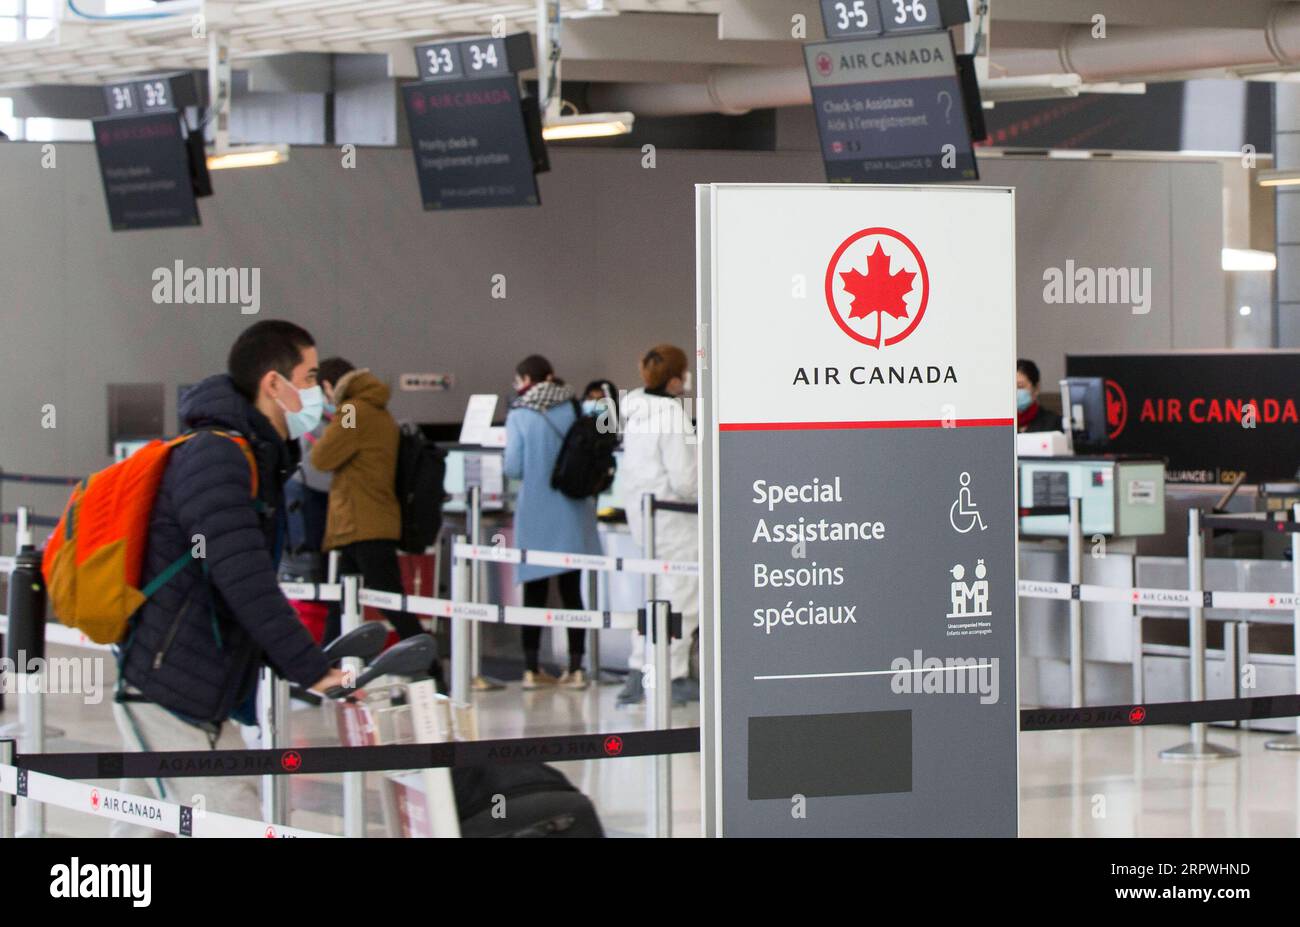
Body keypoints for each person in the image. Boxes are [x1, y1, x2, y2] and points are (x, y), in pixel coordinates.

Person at [113, 320, 348, 834]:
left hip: (187, 684)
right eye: (309, 378)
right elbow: (242, 578)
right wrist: (311, 668)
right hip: (171, 685)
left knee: (141, 833)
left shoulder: (252, 457)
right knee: (234, 820)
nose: (319, 393)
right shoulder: (218, 457)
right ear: (273, 384)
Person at [310, 358, 437, 676]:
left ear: (328, 386)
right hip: (364, 521)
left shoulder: (352, 411)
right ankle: (320, 671)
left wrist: (327, 426)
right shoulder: (377, 408)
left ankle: (432, 667)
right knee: (342, 602)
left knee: (389, 600)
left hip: (362, 522)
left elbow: (323, 456)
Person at [504, 354, 603, 690]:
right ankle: (576, 668)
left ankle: (531, 669)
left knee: (534, 591)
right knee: (571, 592)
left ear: (526, 381)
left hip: (534, 511)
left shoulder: (519, 414)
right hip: (573, 508)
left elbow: (512, 468)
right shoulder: (576, 407)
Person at [617, 344, 700, 706]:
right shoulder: (671, 414)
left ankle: (640, 672)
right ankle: (673, 676)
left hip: (644, 520)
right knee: (682, 597)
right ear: (676, 378)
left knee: (651, 596)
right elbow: (685, 480)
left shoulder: (635, 413)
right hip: (675, 522)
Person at [1016, 358, 1063, 433]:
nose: (1015, 392)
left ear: (1036, 388)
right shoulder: (1002, 425)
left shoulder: (1053, 423)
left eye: (1020, 386)